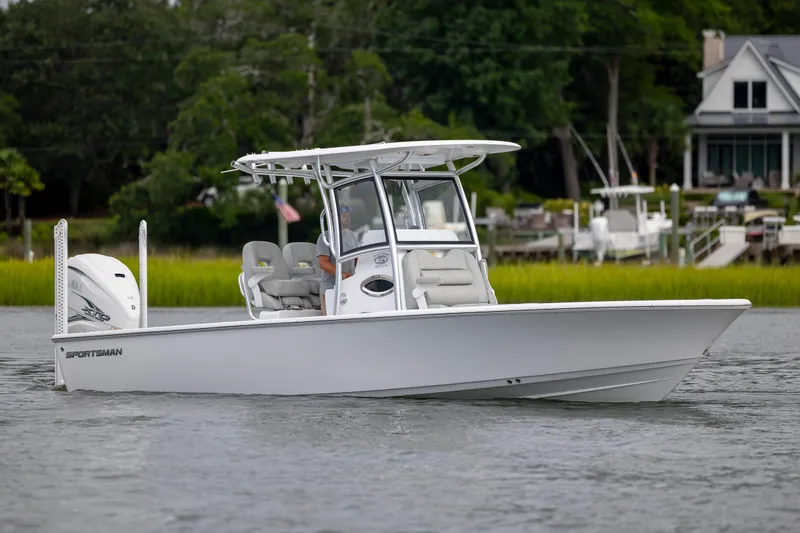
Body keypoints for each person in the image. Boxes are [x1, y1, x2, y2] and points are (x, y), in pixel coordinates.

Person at [316, 204, 359, 315]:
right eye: (343, 215)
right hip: (330, 289)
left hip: (349, 287)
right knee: (330, 324)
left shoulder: (352, 235)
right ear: (333, 217)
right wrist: (342, 274)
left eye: (348, 215)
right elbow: (323, 263)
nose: (347, 218)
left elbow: (356, 259)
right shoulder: (325, 237)